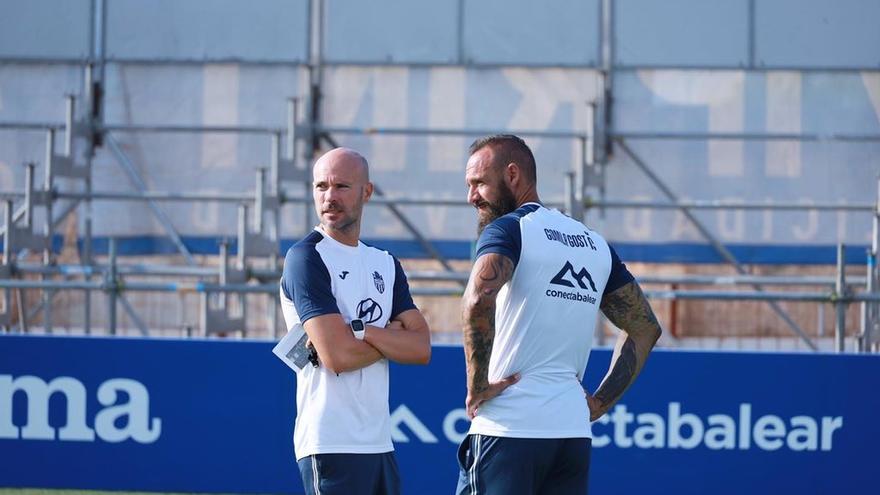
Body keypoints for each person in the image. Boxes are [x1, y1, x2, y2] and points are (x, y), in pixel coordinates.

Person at [457, 135, 662, 494]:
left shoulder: (507, 230)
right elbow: (645, 329)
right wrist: (600, 402)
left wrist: (477, 386)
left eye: (479, 183)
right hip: (570, 436)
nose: (471, 196)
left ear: (512, 174)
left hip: (509, 430)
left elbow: (478, 299)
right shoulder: (594, 243)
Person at [279, 147, 431, 495]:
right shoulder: (306, 257)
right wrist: (391, 339)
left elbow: (422, 348)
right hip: (329, 442)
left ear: (367, 191)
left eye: (341, 186)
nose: (329, 197)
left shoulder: (384, 263)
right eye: (321, 187)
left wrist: (362, 332)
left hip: (379, 442)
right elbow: (338, 357)